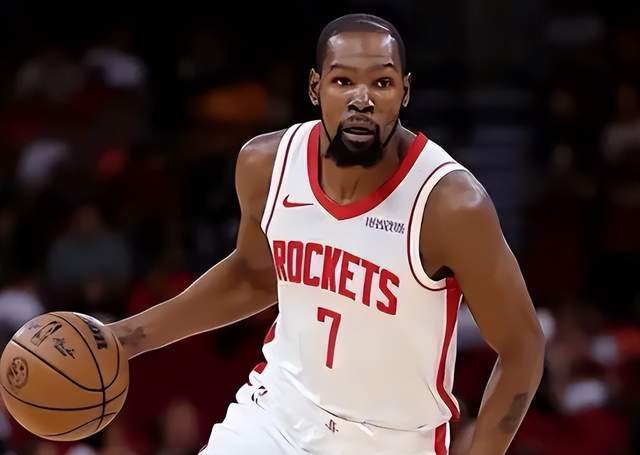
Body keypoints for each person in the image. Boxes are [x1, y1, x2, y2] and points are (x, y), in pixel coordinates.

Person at [108, 14, 545, 455]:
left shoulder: (450, 205)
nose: (362, 99)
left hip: (390, 441)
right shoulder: (267, 165)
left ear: (405, 91)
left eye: (382, 83)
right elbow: (254, 277)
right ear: (315, 87)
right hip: (276, 417)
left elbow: (522, 348)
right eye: (343, 81)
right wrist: (125, 338)